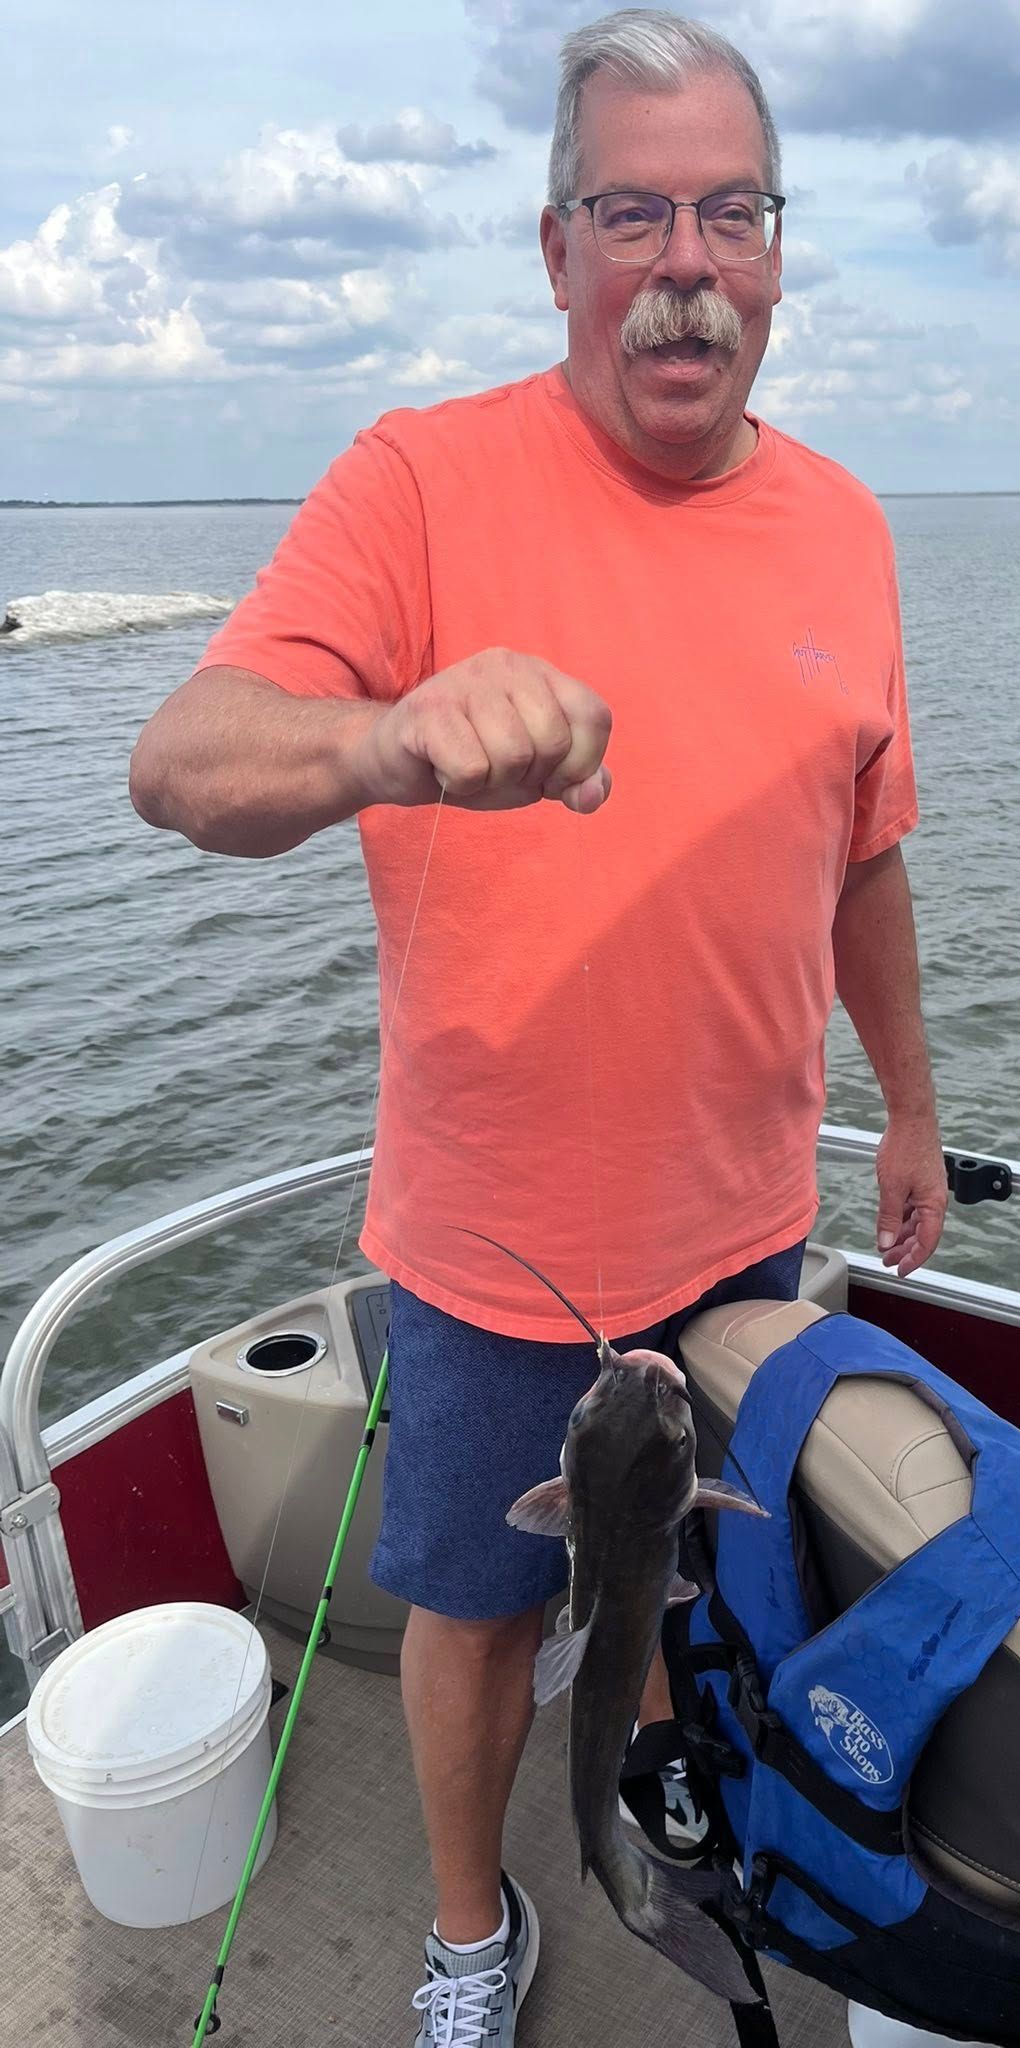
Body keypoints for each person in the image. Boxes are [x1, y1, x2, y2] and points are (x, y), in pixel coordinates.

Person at [129, 9, 947, 2042]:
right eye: (634, 209)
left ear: (778, 245)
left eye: (732, 210)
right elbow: (186, 762)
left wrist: (912, 1114)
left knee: (665, 1571)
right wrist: (385, 736)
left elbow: (864, 855)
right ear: (557, 246)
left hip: (749, 1212)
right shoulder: (421, 478)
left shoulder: (847, 520)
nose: (688, 258)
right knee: (479, 1608)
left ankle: (648, 1804)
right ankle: (471, 1931)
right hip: (498, 1253)